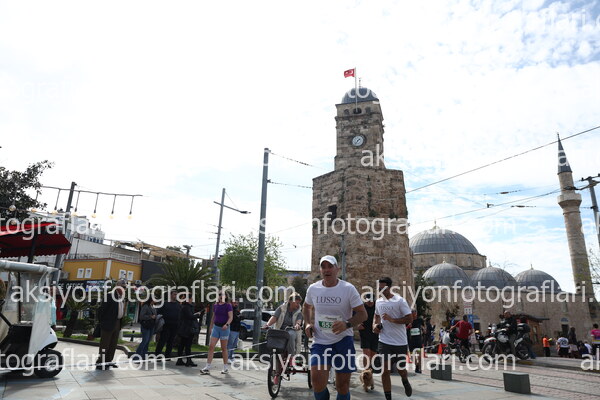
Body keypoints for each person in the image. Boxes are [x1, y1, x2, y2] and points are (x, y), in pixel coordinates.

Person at [303, 255, 367, 400]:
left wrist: (347, 324)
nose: (327, 270)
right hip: (320, 342)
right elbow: (306, 307)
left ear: (337, 269)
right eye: (323, 267)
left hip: (343, 341)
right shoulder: (313, 289)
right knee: (317, 383)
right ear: (320, 270)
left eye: (330, 266)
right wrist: (307, 323)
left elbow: (363, 314)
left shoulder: (348, 289)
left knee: (342, 386)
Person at [373, 276, 413, 400]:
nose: (381, 291)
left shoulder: (399, 301)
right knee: (385, 370)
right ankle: (388, 397)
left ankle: (405, 380)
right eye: (379, 288)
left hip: (400, 342)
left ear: (390, 287)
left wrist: (392, 320)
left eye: (383, 288)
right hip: (384, 341)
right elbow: (376, 316)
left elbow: (409, 318)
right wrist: (375, 326)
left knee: (401, 369)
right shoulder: (378, 302)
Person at [96, 280, 127, 370]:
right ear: (117, 286)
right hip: (108, 323)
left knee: (113, 344)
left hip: (117, 322)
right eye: (122, 286)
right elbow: (102, 310)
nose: (124, 289)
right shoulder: (110, 295)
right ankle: (101, 362)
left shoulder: (121, 297)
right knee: (105, 344)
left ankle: (109, 361)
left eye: (125, 287)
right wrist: (103, 321)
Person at [201, 291, 233, 374]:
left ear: (226, 296)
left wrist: (227, 324)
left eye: (222, 295)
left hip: (224, 328)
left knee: (223, 348)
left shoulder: (228, 305)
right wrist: (211, 327)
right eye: (219, 295)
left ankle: (225, 367)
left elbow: (230, 317)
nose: (221, 296)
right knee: (211, 346)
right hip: (216, 327)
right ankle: (207, 367)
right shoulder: (216, 305)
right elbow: (213, 316)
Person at [266, 292, 303, 358]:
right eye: (297, 303)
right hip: (280, 329)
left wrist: (297, 325)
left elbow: (299, 320)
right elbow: (274, 317)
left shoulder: (299, 312)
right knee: (272, 334)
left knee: (291, 335)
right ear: (290, 301)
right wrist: (267, 325)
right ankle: (275, 353)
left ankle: (291, 356)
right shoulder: (281, 308)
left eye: (299, 303)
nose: (298, 305)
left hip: (291, 329)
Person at [176, 293, 201, 366]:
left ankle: (181, 360)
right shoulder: (186, 307)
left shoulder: (185, 306)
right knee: (187, 345)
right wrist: (197, 315)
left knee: (183, 344)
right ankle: (188, 360)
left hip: (185, 328)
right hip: (187, 328)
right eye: (191, 298)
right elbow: (190, 316)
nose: (192, 300)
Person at [155, 290, 181, 359]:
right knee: (162, 340)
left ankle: (167, 356)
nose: (176, 296)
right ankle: (158, 355)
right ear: (170, 295)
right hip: (166, 325)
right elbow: (158, 313)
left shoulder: (178, 305)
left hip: (175, 325)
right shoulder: (165, 303)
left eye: (176, 294)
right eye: (174, 294)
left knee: (171, 341)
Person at [357, 293, 378, 370]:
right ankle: (366, 371)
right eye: (368, 301)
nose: (369, 302)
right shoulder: (361, 307)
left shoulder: (377, 307)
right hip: (364, 332)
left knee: (373, 353)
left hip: (375, 333)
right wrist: (357, 325)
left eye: (371, 301)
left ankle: (370, 369)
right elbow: (354, 317)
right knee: (366, 353)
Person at [227, 300, 241, 364]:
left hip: (237, 329)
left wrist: (240, 317)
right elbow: (235, 319)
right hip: (232, 329)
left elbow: (239, 317)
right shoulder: (230, 310)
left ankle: (231, 357)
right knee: (230, 344)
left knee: (234, 345)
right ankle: (227, 357)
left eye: (237, 303)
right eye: (235, 303)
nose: (236, 304)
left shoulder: (237, 311)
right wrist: (239, 317)